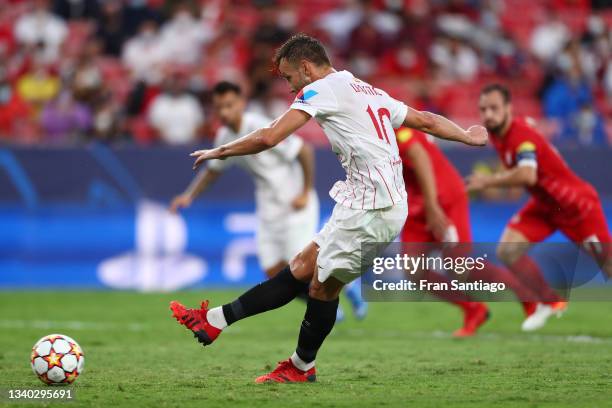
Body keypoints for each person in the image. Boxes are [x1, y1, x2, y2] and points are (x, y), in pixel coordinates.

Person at [170, 34, 487, 383]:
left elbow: (270, 137)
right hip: (363, 201)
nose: (291, 88)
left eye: (290, 78)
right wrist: (467, 136)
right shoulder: (365, 89)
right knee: (301, 267)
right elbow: (425, 120)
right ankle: (215, 321)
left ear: (306, 69)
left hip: (374, 208)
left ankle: (301, 366)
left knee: (322, 289)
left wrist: (220, 150)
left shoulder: (319, 90)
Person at [169, 81, 368, 320]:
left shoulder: (260, 126)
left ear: (242, 103)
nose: (224, 112)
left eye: (229, 105)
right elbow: (213, 170)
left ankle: (345, 288)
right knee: (274, 272)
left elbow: (304, 150)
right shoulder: (224, 135)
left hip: (295, 203)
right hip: (269, 208)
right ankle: (333, 301)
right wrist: (189, 196)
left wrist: (305, 191)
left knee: (302, 266)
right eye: (219, 107)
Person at [467, 83, 612, 331]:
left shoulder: (519, 135)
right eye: (483, 109)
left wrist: (487, 181)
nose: (488, 114)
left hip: (575, 206)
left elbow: (527, 176)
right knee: (508, 251)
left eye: (494, 108)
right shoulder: (501, 135)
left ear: (508, 109)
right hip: (545, 206)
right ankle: (549, 300)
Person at [396, 127, 541, 336]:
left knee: (458, 266)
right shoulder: (361, 130)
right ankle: (474, 309)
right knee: (413, 269)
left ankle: (523, 293)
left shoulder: (390, 123)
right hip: (417, 204)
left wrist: (431, 205)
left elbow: (420, 156)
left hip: (443, 198)